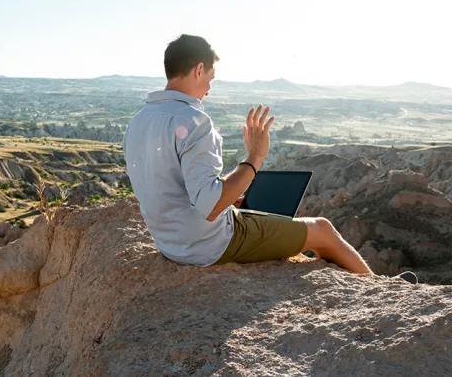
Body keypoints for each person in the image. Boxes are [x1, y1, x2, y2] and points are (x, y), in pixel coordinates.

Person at [123, 34, 416, 283]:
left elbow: (173, 186)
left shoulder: (138, 121)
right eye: (211, 78)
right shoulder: (195, 121)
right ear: (199, 69)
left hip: (170, 242)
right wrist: (255, 157)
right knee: (322, 230)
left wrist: (230, 197)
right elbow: (210, 207)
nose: (209, 89)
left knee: (273, 220)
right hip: (207, 245)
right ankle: (380, 289)